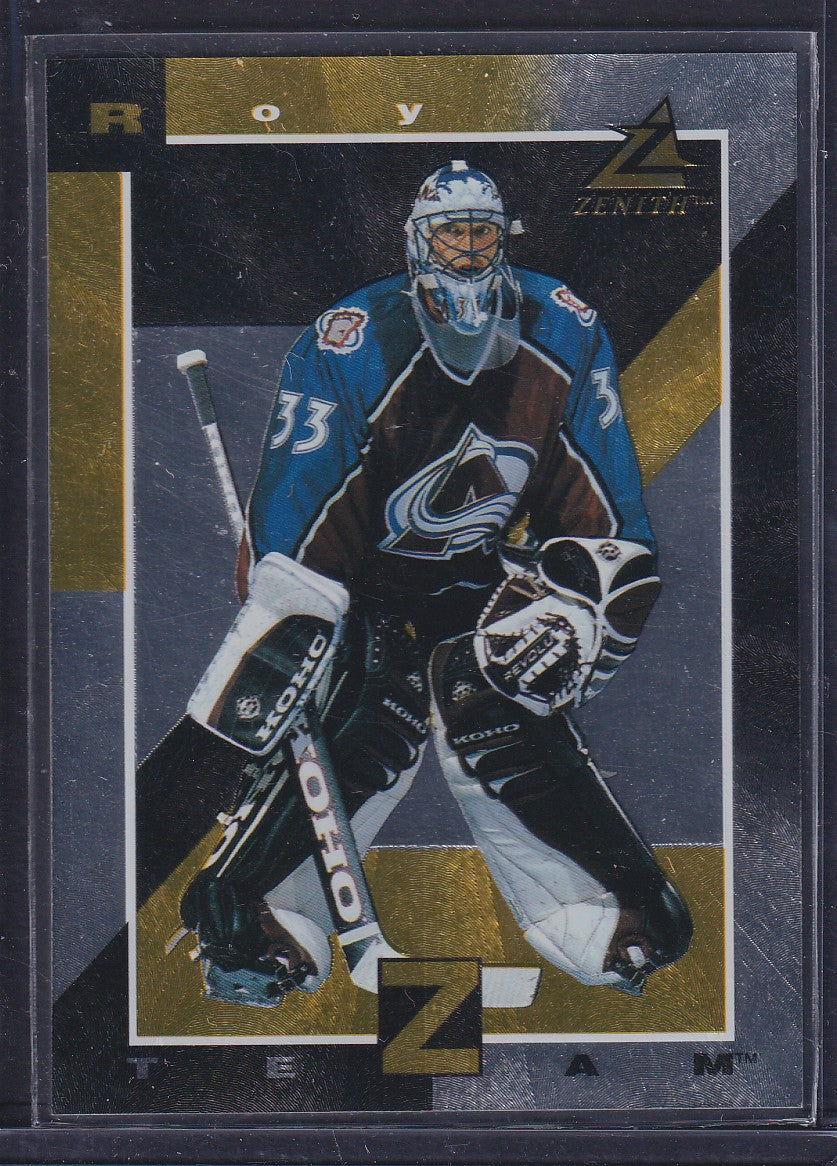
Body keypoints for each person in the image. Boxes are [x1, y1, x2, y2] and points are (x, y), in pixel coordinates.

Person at [178, 160, 692, 1007]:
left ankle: (610, 906)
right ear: (418, 243)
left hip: (481, 581)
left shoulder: (562, 324)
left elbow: (608, 519)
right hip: (361, 590)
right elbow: (296, 508)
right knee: (371, 700)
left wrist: (579, 611)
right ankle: (253, 908)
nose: (466, 250)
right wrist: (293, 611)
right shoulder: (351, 336)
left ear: (503, 237)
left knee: (492, 689)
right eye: (450, 234)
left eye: (479, 232)